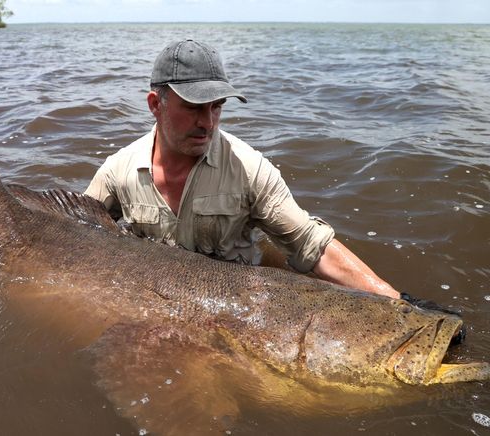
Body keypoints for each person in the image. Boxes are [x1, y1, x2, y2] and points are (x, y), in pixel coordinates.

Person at [85, 39, 400, 299]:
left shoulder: (250, 170)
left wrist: (393, 301)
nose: (207, 122)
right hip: (156, 296)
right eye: (194, 107)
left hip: (235, 301)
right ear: (156, 104)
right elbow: (75, 231)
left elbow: (310, 245)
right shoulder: (118, 171)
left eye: (217, 106)